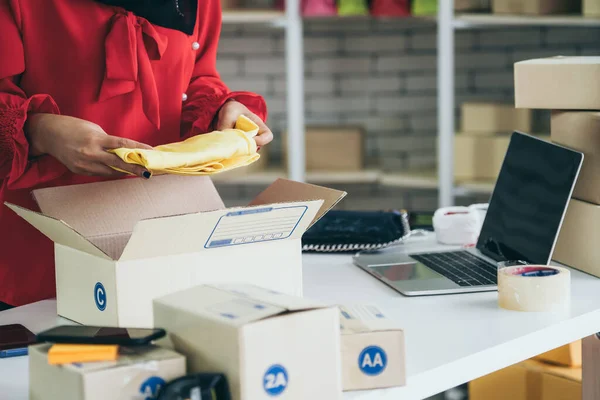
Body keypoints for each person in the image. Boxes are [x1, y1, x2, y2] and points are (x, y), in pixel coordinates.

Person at [0, 0, 273, 310]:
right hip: (38, 241)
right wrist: (41, 131)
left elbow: (197, 78)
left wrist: (224, 111)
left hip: (161, 235)